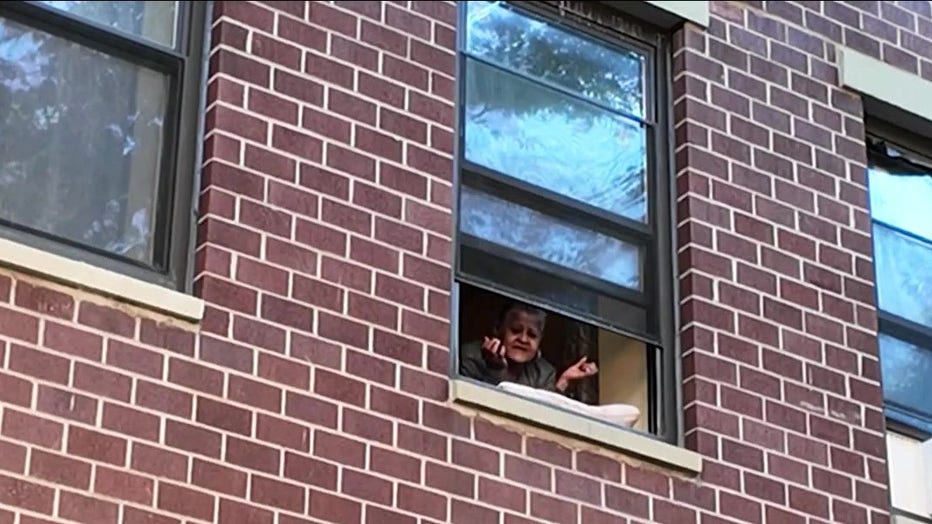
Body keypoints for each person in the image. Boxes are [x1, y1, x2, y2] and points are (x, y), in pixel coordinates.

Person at [459, 300, 598, 394]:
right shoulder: (471, 356)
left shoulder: (544, 372)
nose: (523, 339)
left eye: (532, 335)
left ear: (540, 340)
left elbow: (544, 415)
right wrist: (494, 370)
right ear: (498, 329)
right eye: (515, 330)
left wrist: (563, 381)